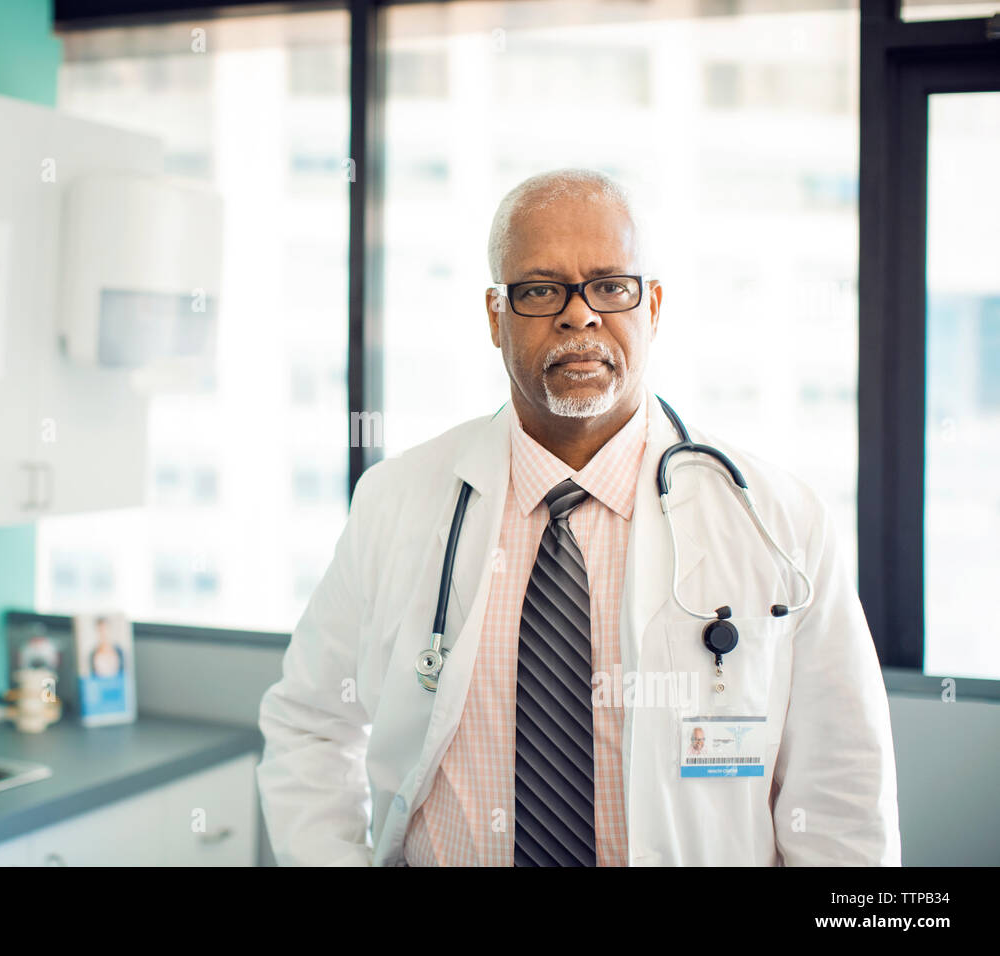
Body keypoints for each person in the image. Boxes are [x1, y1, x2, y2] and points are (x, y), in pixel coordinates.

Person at [256, 168, 900, 867]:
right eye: (539, 290)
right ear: (495, 317)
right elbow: (311, 727)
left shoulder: (778, 521)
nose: (579, 315)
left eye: (610, 286)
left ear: (651, 306)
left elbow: (842, 792)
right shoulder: (395, 501)